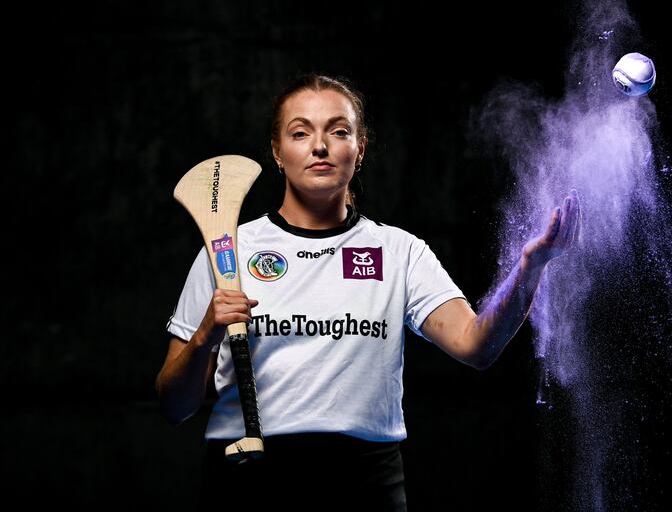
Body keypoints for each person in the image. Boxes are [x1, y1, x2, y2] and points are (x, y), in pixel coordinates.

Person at [155, 72, 581, 511]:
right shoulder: (227, 250)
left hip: (365, 482)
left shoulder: (400, 252)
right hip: (247, 481)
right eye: (300, 133)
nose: (320, 146)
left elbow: (476, 346)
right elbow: (174, 406)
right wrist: (205, 335)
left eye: (339, 131)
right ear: (277, 152)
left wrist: (531, 267)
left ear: (359, 150)